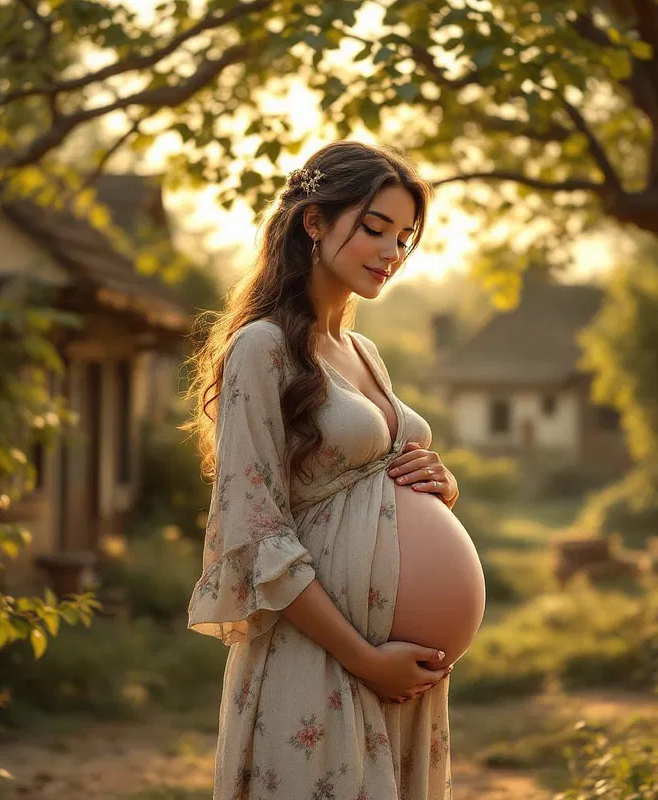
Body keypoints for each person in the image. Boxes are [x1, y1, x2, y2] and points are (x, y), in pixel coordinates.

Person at [183, 140, 461, 799]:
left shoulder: (362, 351)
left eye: (403, 237)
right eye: (374, 229)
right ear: (314, 222)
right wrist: (366, 659)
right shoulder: (261, 348)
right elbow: (256, 537)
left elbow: (376, 489)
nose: (391, 253)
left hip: (398, 674)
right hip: (320, 662)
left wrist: (440, 488)